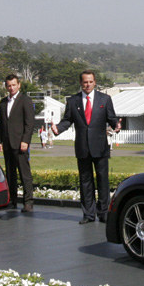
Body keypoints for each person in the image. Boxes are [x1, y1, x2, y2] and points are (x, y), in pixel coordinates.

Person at [52, 70, 120, 223]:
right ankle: (88, 214)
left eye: (90, 81)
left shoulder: (105, 99)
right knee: (85, 181)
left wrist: (117, 124)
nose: (88, 84)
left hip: (100, 146)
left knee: (103, 180)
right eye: (85, 82)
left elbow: (112, 118)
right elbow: (67, 120)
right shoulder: (73, 101)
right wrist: (57, 128)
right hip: (82, 147)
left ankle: (103, 213)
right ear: (80, 83)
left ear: (95, 82)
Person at [0, 74, 36, 212]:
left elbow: (30, 123)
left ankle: (28, 202)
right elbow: (0, 123)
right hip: (7, 143)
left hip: (20, 143)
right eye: (9, 85)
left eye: (13, 85)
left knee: (24, 174)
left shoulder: (25, 100)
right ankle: (12, 200)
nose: (11, 88)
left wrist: (26, 140)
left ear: (19, 85)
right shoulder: (3, 102)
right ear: (6, 86)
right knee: (10, 174)